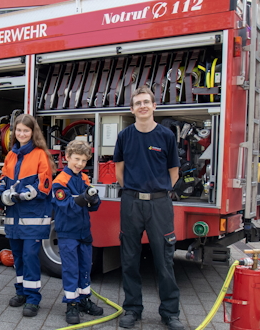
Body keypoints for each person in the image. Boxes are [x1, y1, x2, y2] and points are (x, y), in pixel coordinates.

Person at [114, 86, 184, 330]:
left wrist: (156, 192)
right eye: (138, 103)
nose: (142, 106)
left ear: (154, 106)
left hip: (159, 204)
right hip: (131, 203)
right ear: (132, 109)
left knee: (164, 260)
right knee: (129, 259)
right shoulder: (124, 136)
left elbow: (173, 173)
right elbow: (119, 170)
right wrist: (134, 192)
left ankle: (170, 313)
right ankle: (132, 309)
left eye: (146, 102)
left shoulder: (166, 136)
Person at [0, 113, 55, 317]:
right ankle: (21, 292)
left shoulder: (40, 154)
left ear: (33, 132)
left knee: (30, 256)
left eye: (26, 130)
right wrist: (1, 194)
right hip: (13, 217)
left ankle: (33, 298)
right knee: (19, 257)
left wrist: (22, 194)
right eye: (18, 130)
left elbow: (44, 186)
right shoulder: (11, 154)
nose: (22, 133)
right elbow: (3, 179)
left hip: (34, 217)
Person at [51, 140, 103, 324]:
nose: (80, 163)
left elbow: (92, 207)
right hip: (68, 233)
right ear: (67, 158)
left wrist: (95, 200)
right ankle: (71, 304)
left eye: (83, 160)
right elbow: (65, 206)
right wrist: (83, 199)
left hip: (83, 232)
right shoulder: (60, 181)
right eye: (76, 159)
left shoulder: (83, 178)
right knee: (71, 269)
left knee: (85, 268)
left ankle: (83, 299)